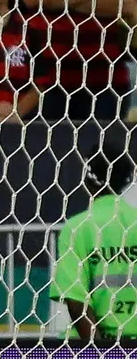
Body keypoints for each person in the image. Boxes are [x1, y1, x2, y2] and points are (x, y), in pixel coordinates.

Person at [50, 144, 137, 341]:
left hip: (95, 347)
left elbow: (75, 299)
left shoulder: (78, 228)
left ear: (87, 182)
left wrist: (98, 356)